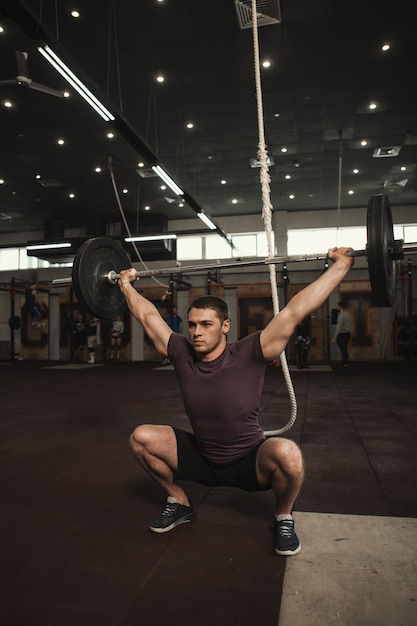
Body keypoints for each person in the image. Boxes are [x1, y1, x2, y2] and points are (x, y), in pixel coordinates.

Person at [118, 247, 354, 556]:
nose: (196, 332)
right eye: (192, 325)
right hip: (202, 457)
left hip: (247, 461)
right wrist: (125, 284)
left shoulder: (251, 351)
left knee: (289, 454)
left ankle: (283, 515)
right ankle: (179, 501)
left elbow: (296, 310)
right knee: (141, 438)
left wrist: (342, 266)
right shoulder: (180, 352)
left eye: (206, 324)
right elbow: (147, 315)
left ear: (225, 326)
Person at [332, 300, 352, 367]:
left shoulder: (341, 316)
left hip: (342, 334)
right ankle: (345, 361)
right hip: (347, 333)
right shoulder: (348, 315)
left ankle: (345, 360)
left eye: (337, 306)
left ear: (340, 307)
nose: (336, 307)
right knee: (345, 347)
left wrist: (335, 337)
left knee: (343, 348)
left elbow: (339, 327)